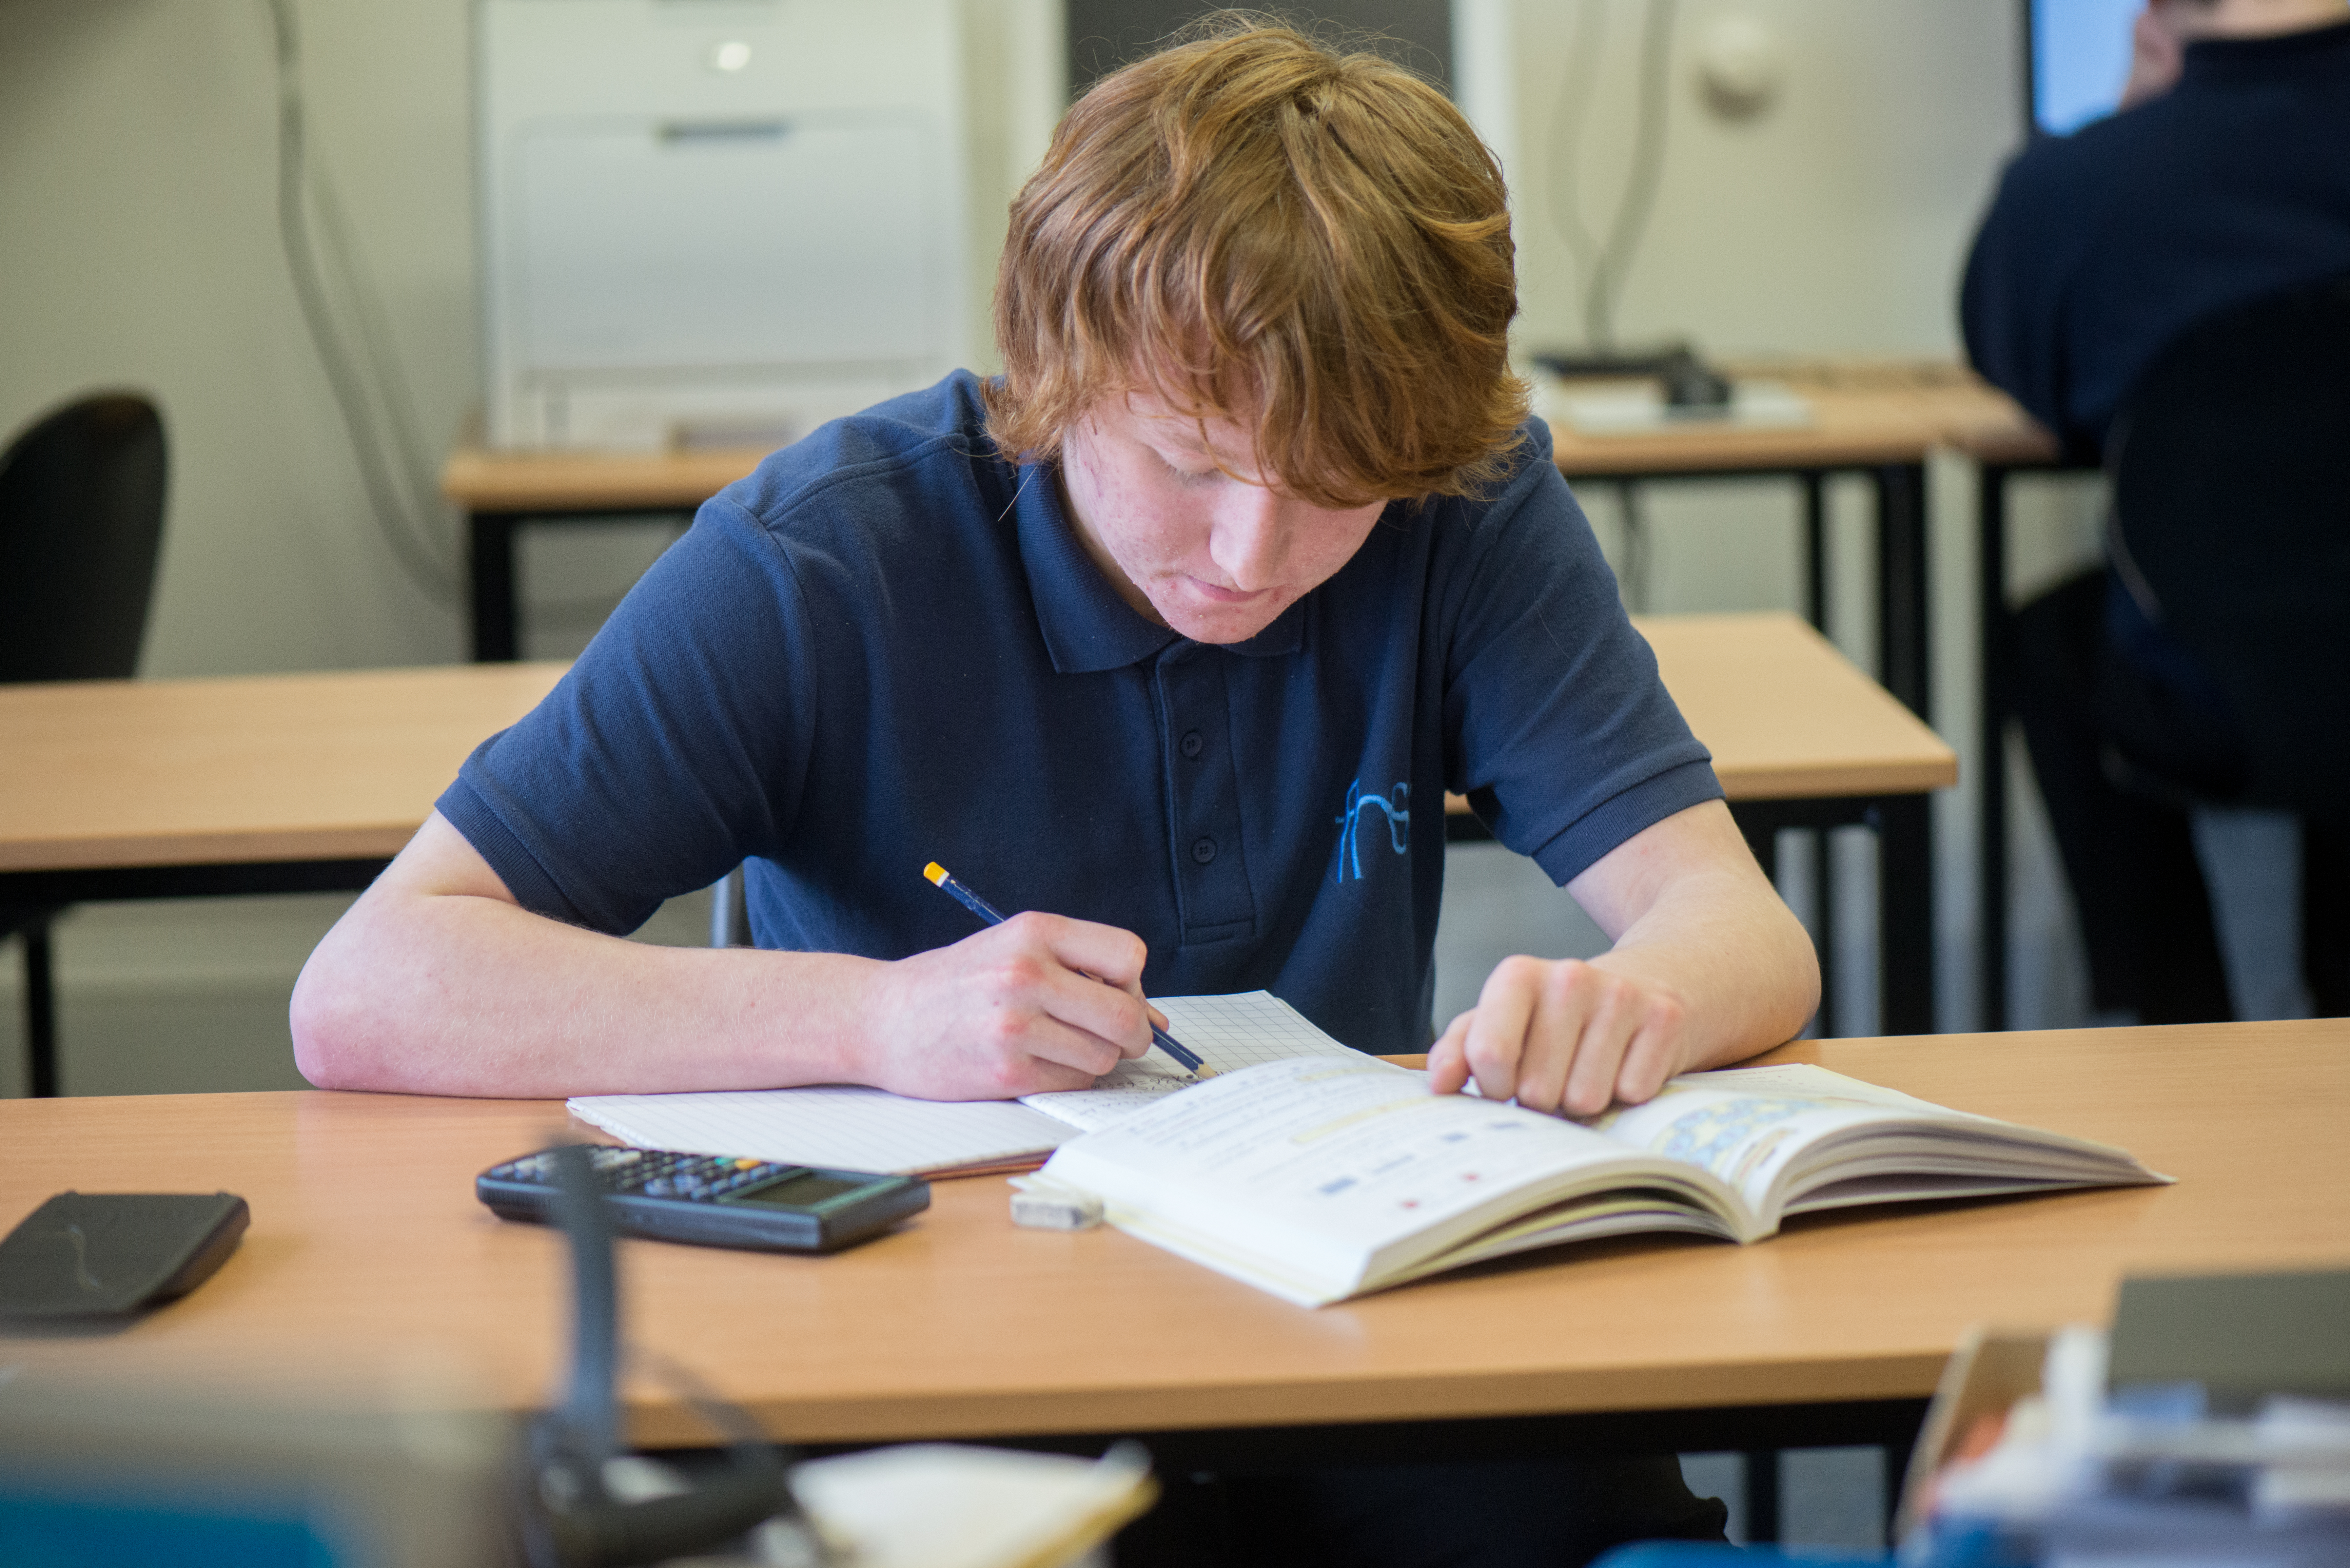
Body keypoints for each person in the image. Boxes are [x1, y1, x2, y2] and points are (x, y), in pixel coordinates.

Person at [295, 22, 1810, 1562]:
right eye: (1189, 464)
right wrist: (875, 1021)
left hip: (1344, 1300)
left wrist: (1634, 1003)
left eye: (1332, 489)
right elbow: (370, 989)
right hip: (939, 1321)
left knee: (1590, 1521)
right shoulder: (823, 558)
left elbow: (1735, 926)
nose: (1250, 557)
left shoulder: (1457, 502)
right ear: (1057, 369)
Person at [1961, 0, 2350, 1022]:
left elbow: (2027, 375)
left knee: (2055, 640)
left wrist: (2136, 117)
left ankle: (2176, 1020)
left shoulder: (2082, 189)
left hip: (2215, 699)